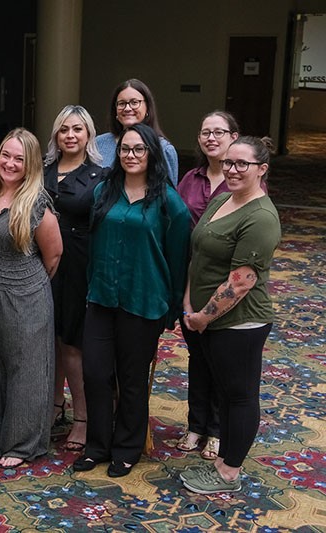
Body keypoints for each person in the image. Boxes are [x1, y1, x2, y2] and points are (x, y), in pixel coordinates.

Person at [74, 123, 190, 478]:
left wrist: (169, 311)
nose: (131, 155)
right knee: (93, 373)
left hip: (144, 302)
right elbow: (93, 247)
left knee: (132, 379)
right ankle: (97, 445)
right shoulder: (104, 192)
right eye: (125, 149)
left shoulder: (171, 203)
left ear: (152, 153)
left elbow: (177, 260)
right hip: (103, 298)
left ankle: (127, 448)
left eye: (139, 149)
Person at [179, 136, 280, 494]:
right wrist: (190, 304)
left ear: (261, 170)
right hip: (205, 317)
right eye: (228, 163)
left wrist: (203, 318)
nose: (232, 170)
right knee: (222, 388)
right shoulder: (222, 199)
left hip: (240, 323)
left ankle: (227, 472)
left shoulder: (262, 217)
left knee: (238, 396)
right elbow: (199, 256)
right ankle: (223, 466)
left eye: (242, 164)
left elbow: (240, 283)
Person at [0, 128, 62, 468]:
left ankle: (20, 445)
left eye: (19, 158)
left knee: (26, 369)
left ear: (31, 164)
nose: (10, 163)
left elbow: (53, 255)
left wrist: (23, 283)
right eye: (6, 154)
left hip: (26, 294)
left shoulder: (36, 202)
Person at [175, 111, 241, 460]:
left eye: (219, 132)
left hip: (228, 285)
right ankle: (196, 424)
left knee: (221, 360)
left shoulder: (246, 181)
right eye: (205, 132)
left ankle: (216, 429)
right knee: (198, 357)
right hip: (191, 281)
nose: (211, 138)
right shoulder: (190, 178)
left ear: (234, 136)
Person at [42, 105, 105, 452]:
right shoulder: (42, 171)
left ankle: (82, 416)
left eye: (77, 129)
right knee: (48, 339)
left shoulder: (101, 175)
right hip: (41, 265)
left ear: (88, 135)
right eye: (64, 129)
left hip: (80, 264)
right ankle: (54, 406)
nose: (70, 135)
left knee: (73, 343)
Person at [94, 79, 179, 185]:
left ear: (147, 107)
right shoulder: (98, 144)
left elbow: (169, 194)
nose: (127, 108)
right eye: (122, 103)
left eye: (134, 103)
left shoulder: (164, 149)